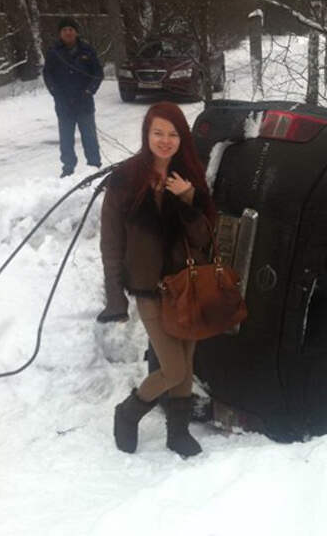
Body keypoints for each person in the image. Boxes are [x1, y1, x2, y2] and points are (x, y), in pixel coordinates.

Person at [98, 101, 216, 458]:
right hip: (150, 290)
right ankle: (128, 411)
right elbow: (111, 245)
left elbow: (205, 240)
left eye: (173, 134)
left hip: (187, 287)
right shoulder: (125, 181)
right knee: (173, 366)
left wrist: (188, 200)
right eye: (158, 133)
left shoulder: (190, 178)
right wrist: (116, 298)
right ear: (146, 135)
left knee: (185, 362)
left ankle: (177, 434)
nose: (165, 141)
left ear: (182, 138)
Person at [43, 17, 103, 177]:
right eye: (64, 30)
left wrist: (89, 91)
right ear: (60, 34)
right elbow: (48, 76)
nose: (68, 32)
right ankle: (68, 168)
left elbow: (98, 73)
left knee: (90, 138)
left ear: (76, 32)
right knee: (66, 141)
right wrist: (57, 94)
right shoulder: (53, 52)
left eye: (71, 29)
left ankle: (94, 167)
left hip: (85, 104)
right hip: (64, 105)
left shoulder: (87, 50)